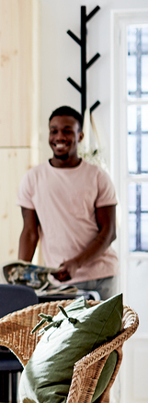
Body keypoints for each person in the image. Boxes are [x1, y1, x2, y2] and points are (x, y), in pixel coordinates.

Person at [17, 105, 119, 300]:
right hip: (61, 280)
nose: (59, 137)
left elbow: (109, 232)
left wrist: (76, 263)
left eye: (67, 131)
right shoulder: (32, 178)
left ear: (80, 136)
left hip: (102, 277)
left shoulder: (97, 177)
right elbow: (30, 233)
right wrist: (20, 275)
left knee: (107, 332)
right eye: (54, 131)